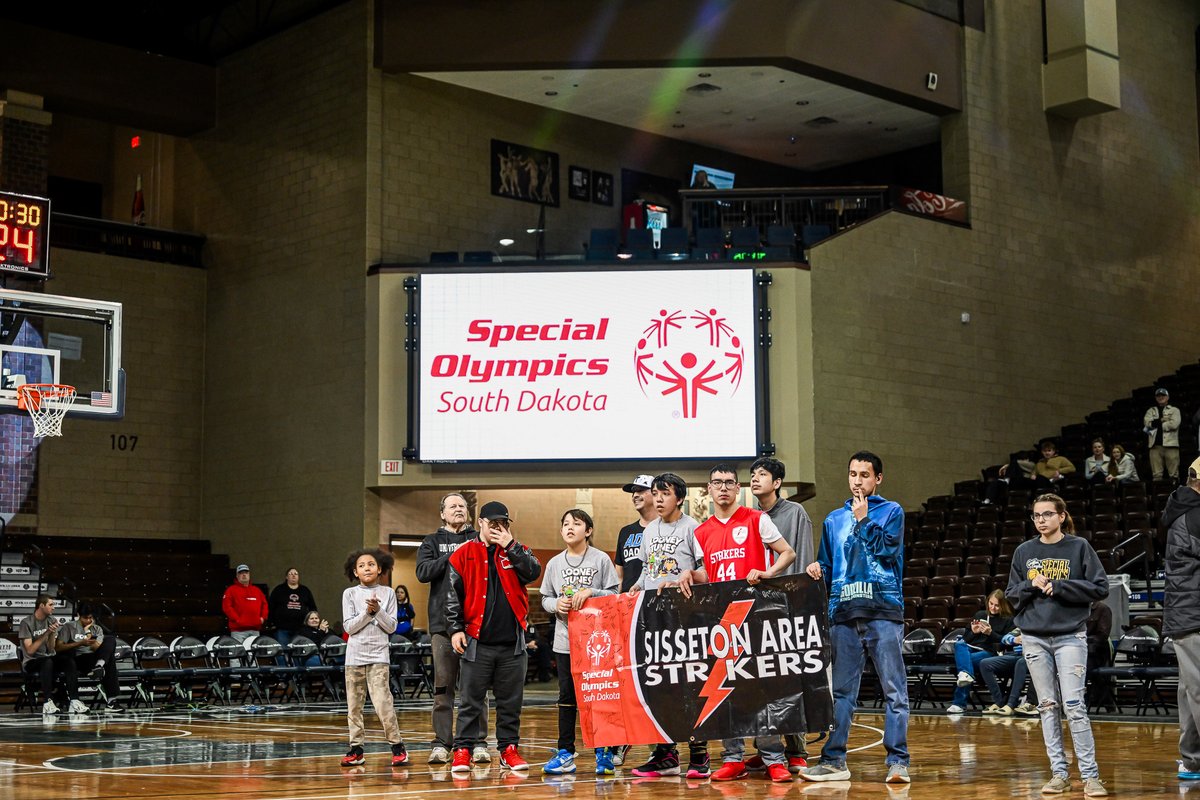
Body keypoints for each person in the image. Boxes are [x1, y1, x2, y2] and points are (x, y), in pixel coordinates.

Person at [801, 451, 909, 785]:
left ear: (878, 478)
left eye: (864, 475)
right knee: (842, 693)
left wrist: (863, 520)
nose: (857, 481)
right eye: (852, 474)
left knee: (895, 692)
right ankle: (834, 761)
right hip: (844, 614)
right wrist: (818, 569)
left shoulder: (892, 511)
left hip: (883, 611)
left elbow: (888, 551)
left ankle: (898, 762)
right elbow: (828, 563)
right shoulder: (833, 519)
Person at [693, 464, 796, 784]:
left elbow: (788, 553)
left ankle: (773, 758)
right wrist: (688, 575)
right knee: (725, 691)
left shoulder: (757, 519)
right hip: (722, 621)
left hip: (757, 616)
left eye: (729, 483)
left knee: (762, 689)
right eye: (717, 483)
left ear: (738, 489)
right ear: (709, 489)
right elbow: (707, 575)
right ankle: (733, 758)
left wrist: (767, 573)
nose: (723, 488)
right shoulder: (701, 532)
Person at [1006, 493, 1109, 797]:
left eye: (1048, 514)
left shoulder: (1079, 547)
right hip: (1034, 637)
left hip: (1070, 636)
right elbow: (1011, 594)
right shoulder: (1024, 551)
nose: (1041, 520)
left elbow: (1100, 587)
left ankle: (1090, 776)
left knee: (1074, 706)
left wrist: (1061, 586)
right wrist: (1030, 584)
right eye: (1036, 515)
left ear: (1061, 516)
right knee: (1047, 706)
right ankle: (1059, 774)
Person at [446, 500, 542, 775]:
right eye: (493, 523)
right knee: (470, 702)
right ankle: (463, 750)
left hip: (512, 643)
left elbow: (533, 572)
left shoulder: (517, 550)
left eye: (503, 524)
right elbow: (451, 596)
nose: (498, 528)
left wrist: (510, 545)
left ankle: (508, 750)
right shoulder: (464, 554)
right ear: (481, 523)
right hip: (477, 641)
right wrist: (455, 629)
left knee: (510, 703)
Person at [627, 473, 710, 779]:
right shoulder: (649, 530)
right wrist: (637, 586)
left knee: (690, 685)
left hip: (685, 617)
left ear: (680, 498)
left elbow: (706, 570)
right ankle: (666, 755)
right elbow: (647, 569)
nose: (659, 499)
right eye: (656, 493)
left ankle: (699, 755)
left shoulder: (693, 528)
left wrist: (687, 579)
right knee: (660, 687)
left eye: (665, 493)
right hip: (654, 617)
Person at [539, 509, 620, 776]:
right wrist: (556, 604)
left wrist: (591, 592)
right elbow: (545, 598)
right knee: (567, 697)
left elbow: (614, 594)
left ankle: (603, 751)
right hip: (565, 641)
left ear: (588, 530)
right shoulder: (554, 564)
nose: (570, 527)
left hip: (596, 643)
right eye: (565, 524)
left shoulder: (601, 559)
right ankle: (565, 752)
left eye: (576, 523)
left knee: (598, 696)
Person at [748, 456, 815, 773]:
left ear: (777, 483)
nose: (755, 478)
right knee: (760, 683)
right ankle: (766, 750)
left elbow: (802, 558)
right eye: (753, 474)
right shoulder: (749, 517)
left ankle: (797, 749)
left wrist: (800, 602)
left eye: (762, 474)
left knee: (790, 680)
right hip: (757, 611)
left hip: (789, 607)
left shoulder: (795, 512)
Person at [415, 493, 489, 765]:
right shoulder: (431, 542)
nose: (458, 510)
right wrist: (455, 556)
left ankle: (478, 742)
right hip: (442, 626)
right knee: (443, 689)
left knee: (477, 689)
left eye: (462, 506)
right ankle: (441, 744)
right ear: (442, 514)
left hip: (475, 624)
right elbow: (423, 572)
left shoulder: (479, 538)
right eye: (453, 506)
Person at [339, 548, 409, 769]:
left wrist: (378, 611)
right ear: (355, 572)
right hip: (354, 657)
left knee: (383, 703)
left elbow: (391, 627)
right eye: (361, 566)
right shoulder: (349, 594)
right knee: (354, 706)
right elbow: (349, 627)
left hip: (379, 656)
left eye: (371, 564)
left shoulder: (388, 593)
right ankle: (356, 749)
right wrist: (368, 613)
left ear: (379, 569)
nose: (366, 568)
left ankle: (397, 747)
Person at [610, 473, 656, 768]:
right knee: (627, 677)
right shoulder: (626, 532)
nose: (636, 495)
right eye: (633, 491)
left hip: (656, 612)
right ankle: (623, 737)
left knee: (653, 679)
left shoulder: (665, 529)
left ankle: (659, 747)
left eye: (641, 490)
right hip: (628, 614)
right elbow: (619, 573)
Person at [1162, 457, 1200, 781]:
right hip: (1194, 612)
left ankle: (1192, 760)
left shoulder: (1182, 510)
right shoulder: (1195, 515)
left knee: (1190, 690)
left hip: (1184, 614)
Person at [946, 590, 1015, 714]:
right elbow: (966, 638)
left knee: (965, 666)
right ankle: (966, 676)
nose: (993, 608)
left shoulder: (1008, 620)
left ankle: (959, 703)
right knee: (959, 643)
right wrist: (973, 632)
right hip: (971, 648)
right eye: (991, 604)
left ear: (1003, 605)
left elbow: (1005, 642)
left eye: (997, 605)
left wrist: (990, 633)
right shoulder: (980, 614)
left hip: (990, 652)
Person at [55, 600, 120, 711]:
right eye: (86, 618)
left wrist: (87, 632)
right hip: (76, 659)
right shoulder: (69, 627)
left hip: (93, 658)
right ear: (79, 615)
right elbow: (58, 647)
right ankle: (111, 701)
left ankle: (99, 666)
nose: (89, 620)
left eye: (91, 618)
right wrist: (80, 643)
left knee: (110, 640)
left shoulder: (96, 628)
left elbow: (96, 648)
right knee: (109, 660)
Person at [19, 594, 69, 714]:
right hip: (31, 661)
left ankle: (74, 700)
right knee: (47, 661)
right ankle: (47, 701)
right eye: (51, 605)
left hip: (47, 658)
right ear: (41, 605)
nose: (53, 608)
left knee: (67, 660)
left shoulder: (51, 620)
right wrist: (46, 633)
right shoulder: (26, 622)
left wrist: (52, 633)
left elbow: (51, 650)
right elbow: (30, 651)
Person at [984, 439, 1076, 505]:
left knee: (1040, 478)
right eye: (1045, 451)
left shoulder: (1060, 459)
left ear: (1053, 451)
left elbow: (1072, 468)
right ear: (1042, 452)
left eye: (1049, 451)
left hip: (1049, 481)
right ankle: (1007, 484)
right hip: (1038, 481)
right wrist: (1032, 475)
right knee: (1018, 480)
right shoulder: (1039, 463)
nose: (1047, 453)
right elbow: (1034, 472)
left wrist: (1059, 471)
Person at [978, 629, 1038, 715]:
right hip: (1016, 654)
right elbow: (1005, 638)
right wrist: (1014, 639)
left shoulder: (1044, 626)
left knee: (1021, 663)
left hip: (1034, 656)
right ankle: (999, 702)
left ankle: (1011, 704)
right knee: (985, 663)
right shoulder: (1023, 625)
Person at [268, 568, 318, 647]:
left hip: (301, 629)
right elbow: (271, 607)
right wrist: (272, 622)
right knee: (284, 651)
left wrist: (312, 622)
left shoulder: (305, 590)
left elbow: (312, 608)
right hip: (282, 628)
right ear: (286, 577)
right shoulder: (279, 590)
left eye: (296, 574)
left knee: (300, 650)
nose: (293, 575)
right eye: (291, 574)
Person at [222, 564, 268, 644]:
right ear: (237, 576)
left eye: (246, 573)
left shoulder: (257, 590)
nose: (244, 575)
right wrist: (237, 619)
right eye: (241, 573)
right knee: (240, 651)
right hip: (238, 631)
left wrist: (262, 618)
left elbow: (265, 605)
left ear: (249, 574)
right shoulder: (231, 590)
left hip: (255, 630)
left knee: (254, 652)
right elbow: (227, 607)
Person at [1145, 387, 1182, 482]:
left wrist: (1156, 423)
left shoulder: (1174, 410)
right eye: (1158, 396)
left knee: (1173, 474)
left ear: (1168, 397)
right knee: (1156, 475)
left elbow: (1174, 424)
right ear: (1156, 398)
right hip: (1155, 446)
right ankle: (1158, 491)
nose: (1161, 397)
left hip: (1171, 445)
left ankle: (1175, 491)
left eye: (1163, 395)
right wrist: (1162, 420)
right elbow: (1147, 424)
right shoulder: (1151, 411)